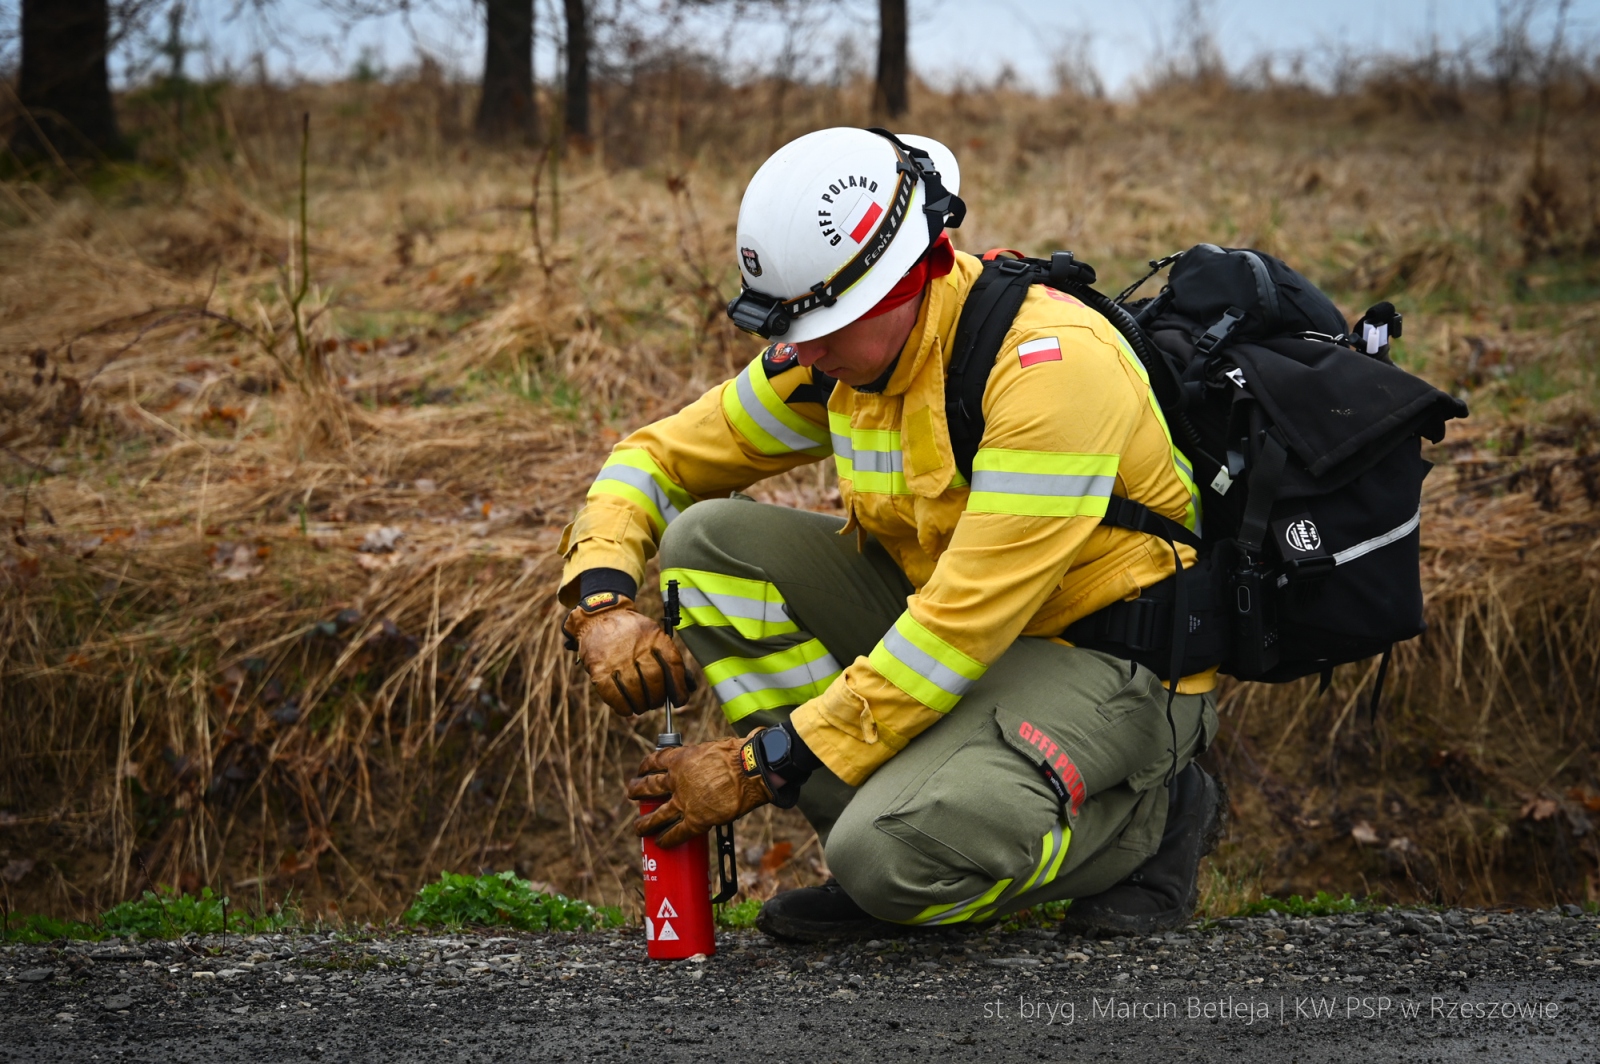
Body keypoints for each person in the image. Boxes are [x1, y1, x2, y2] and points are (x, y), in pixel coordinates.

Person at [558, 127, 1224, 942]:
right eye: (793, 324)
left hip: (1111, 666)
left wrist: (757, 765)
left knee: (885, 865)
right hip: (967, 646)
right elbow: (655, 458)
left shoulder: (1051, 371)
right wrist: (601, 601)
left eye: (827, 323)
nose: (800, 348)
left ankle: (1141, 829)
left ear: (921, 272)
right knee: (707, 548)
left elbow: (956, 626)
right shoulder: (836, 353)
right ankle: (888, 828)